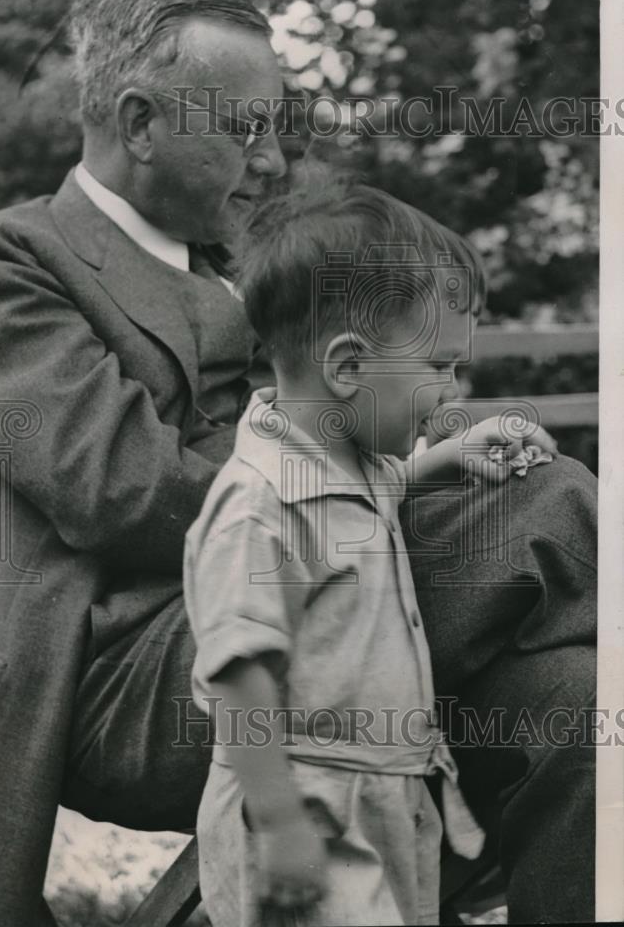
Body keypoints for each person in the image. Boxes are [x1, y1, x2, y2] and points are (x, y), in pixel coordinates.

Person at [0, 0, 596, 927]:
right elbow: (125, 488)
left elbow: (358, 395)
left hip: (341, 626)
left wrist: (454, 439)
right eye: (244, 129)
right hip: (152, 670)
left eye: (276, 127)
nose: (273, 160)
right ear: (140, 122)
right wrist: (380, 469)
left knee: (581, 709)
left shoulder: (253, 263)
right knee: (548, 504)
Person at [184, 180, 561, 926]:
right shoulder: (258, 508)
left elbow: (370, 501)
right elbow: (237, 675)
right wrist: (282, 820)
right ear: (348, 367)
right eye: (439, 368)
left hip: (384, 799)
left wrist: (451, 453)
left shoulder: (342, 461)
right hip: (304, 807)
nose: (453, 389)